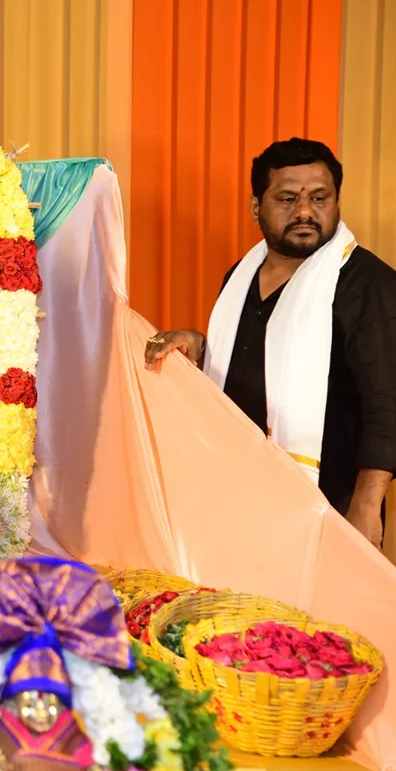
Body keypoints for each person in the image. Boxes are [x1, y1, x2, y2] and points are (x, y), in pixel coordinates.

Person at [145, 138, 396, 548]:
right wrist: (201, 347)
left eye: (319, 197)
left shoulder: (368, 285)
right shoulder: (240, 278)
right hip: (240, 492)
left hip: (328, 500)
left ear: (336, 201)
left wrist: (366, 507)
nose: (304, 211)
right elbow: (259, 363)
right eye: (286, 198)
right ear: (256, 207)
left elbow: (387, 402)